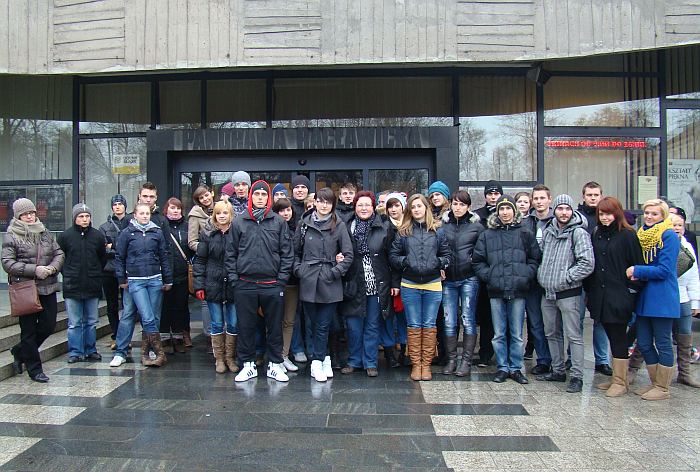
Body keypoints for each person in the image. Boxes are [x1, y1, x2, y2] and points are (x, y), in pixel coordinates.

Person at [227, 180, 295, 383]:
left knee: (274, 327)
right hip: (244, 284)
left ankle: (275, 364)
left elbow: (287, 254)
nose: (260, 198)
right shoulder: (239, 222)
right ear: (251, 196)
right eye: (256, 194)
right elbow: (230, 254)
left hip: (272, 284)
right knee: (246, 327)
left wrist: (281, 280)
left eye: (263, 194)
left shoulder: (278, 222)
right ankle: (247, 365)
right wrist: (235, 280)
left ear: (268, 198)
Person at [473, 195, 540, 385]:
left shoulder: (525, 233)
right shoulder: (487, 235)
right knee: (499, 333)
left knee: (517, 333)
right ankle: (502, 367)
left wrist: (525, 275)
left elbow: (534, 259)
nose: (505, 212)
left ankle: (516, 367)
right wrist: (490, 276)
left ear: (514, 211)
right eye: (501, 209)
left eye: (508, 208)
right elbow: (478, 261)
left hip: (518, 290)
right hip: (496, 290)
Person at [585, 197, 645, 396]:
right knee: (611, 335)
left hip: (619, 295)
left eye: (608, 214)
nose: (605, 218)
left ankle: (620, 381)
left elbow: (637, 266)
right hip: (600, 295)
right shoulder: (597, 233)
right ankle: (616, 378)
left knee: (619, 337)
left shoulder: (627, 235)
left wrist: (630, 292)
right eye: (601, 214)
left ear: (617, 213)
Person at [294, 187, 353, 382]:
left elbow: (348, 255)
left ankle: (317, 362)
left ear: (333, 204)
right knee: (315, 324)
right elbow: (295, 252)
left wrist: (334, 272)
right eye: (321, 201)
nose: (324, 205)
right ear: (315, 202)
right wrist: (299, 270)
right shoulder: (304, 224)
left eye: (328, 202)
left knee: (323, 324)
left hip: (330, 282)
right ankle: (325, 358)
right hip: (308, 280)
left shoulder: (339, 225)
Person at [389, 194, 451, 381]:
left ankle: (427, 364)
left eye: (419, 206)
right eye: (413, 207)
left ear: (426, 207)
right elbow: (393, 256)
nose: (416, 209)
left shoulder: (438, 230)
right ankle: (416, 364)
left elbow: (447, 255)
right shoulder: (403, 231)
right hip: (410, 284)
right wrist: (406, 261)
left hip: (433, 283)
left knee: (429, 325)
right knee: (414, 325)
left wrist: (437, 263)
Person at [536, 194, 594, 393]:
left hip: (569, 292)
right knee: (552, 333)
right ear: (555, 210)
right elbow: (541, 255)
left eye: (567, 209)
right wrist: (542, 275)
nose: (563, 212)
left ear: (572, 211)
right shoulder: (548, 231)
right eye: (560, 208)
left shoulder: (579, 233)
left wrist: (567, 277)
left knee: (573, 335)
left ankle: (577, 376)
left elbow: (587, 263)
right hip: (548, 291)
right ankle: (558, 370)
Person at [3, 198, 65, 382]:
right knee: (28, 330)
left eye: (32, 213)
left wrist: (52, 268)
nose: (30, 216)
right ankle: (35, 369)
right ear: (18, 216)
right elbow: (8, 263)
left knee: (48, 325)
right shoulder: (12, 235)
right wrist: (34, 270)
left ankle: (19, 351)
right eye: (25, 214)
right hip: (25, 289)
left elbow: (59, 253)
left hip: (47, 285)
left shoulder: (44, 232)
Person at [626, 199, 680, 401]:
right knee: (644, 342)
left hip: (662, 297)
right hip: (645, 297)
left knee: (663, 342)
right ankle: (654, 381)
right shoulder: (642, 234)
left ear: (663, 216)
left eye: (654, 214)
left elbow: (665, 270)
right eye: (647, 213)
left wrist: (637, 270)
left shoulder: (669, 235)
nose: (649, 216)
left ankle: (663, 387)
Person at [339, 191, 396, 377]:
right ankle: (354, 360)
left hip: (376, 284)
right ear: (355, 207)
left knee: (372, 325)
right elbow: (337, 248)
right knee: (354, 326)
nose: (364, 208)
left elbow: (393, 257)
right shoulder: (345, 225)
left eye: (367, 205)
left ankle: (370, 362)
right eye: (360, 205)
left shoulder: (384, 226)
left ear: (373, 207)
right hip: (353, 283)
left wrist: (395, 283)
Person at [111, 203, 173, 368]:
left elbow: (164, 256)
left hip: (155, 279)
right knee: (143, 316)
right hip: (135, 280)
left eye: (147, 213)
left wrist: (167, 278)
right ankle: (122, 352)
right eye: (142, 213)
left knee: (154, 316)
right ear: (135, 215)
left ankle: (150, 350)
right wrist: (121, 278)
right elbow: (120, 257)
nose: (145, 216)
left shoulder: (157, 232)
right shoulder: (127, 233)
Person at [440, 191, 484, 376]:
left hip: (469, 278)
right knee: (449, 320)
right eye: (455, 204)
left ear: (468, 207)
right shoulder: (443, 225)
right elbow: (438, 248)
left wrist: (474, 261)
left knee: (468, 319)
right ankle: (452, 360)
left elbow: (482, 250)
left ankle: (466, 361)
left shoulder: (477, 227)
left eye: (462, 204)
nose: (458, 208)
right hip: (448, 279)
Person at [193, 200, 239, 374]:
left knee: (233, 323)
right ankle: (219, 359)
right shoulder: (207, 234)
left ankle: (230, 357)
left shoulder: (237, 233)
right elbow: (200, 261)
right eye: (218, 213)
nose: (221, 216)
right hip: (213, 283)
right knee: (217, 323)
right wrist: (199, 284)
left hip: (233, 284)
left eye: (225, 213)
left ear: (231, 215)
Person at [58, 203, 107, 363]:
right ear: (75, 218)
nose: (85, 219)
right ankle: (75, 352)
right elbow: (60, 259)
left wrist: (95, 273)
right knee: (74, 322)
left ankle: (90, 349)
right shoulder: (65, 237)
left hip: (92, 284)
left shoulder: (97, 236)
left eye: (87, 216)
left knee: (91, 321)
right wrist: (68, 274)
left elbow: (102, 258)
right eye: (81, 216)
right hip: (72, 285)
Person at [577, 181, 612, 376]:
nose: (592, 198)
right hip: (581, 278)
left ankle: (602, 360)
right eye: (589, 195)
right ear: (583, 196)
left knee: (600, 320)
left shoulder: (606, 218)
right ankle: (573, 358)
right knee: (577, 320)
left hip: (601, 278)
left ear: (601, 196)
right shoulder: (577, 217)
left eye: (595, 195)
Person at [520, 185, 553, 376]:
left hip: (553, 280)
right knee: (536, 323)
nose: (539, 201)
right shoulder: (525, 223)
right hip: (532, 281)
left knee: (554, 325)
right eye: (536, 198)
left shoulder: (557, 221)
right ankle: (543, 360)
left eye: (542, 198)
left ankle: (559, 361)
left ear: (549, 199)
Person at [473, 180, 503, 366]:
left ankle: (503, 356)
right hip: (485, 273)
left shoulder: (507, 215)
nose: (493, 197)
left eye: (496, 193)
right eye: (490, 194)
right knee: (485, 317)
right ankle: (485, 353)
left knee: (503, 318)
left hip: (504, 273)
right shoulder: (477, 216)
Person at [378, 192, 409, 367]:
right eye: (390, 206)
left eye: (397, 205)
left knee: (404, 317)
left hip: (408, 278)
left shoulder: (410, 226)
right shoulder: (383, 226)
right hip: (387, 279)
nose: (393, 209)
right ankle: (389, 353)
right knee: (387, 316)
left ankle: (405, 351)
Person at [670, 212, 700, 388]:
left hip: (684, 297)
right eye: (673, 225)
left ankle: (684, 373)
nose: (676, 228)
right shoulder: (661, 244)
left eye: (679, 225)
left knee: (685, 334)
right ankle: (633, 370)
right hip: (665, 297)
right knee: (657, 335)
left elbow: (694, 276)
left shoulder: (687, 247)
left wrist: (696, 302)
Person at [272, 197, 301, 372]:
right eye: (281, 210)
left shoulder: (298, 229)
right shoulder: (270, 229)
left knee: (289, 321)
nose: (285, 213)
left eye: (288, 210)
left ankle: (284, 355)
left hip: (292, 281)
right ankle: (274, 357)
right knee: (273, 320)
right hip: (273, 281)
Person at [161, 197, 192, 354]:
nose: (175, 211)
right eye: (172, 208)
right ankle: (165, 338)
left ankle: (179, 337)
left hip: (182, 274)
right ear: (166, 209)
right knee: (165, 307)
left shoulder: (187, 226)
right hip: (166, 274)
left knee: (180, 306)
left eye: (178, 208)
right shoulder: (161, 226)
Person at [187, 184, 216, 347]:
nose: (205, 199)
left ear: (212, 193)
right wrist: (207, 248)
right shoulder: (195, 215)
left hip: (223, 259)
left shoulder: (221, 208)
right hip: (206, 259)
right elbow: (192, 241)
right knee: (206, 300)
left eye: (206, 195)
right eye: (201, 197)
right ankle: (209, 335)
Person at [99, 194, 129, 350]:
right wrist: (117, 249)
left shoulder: (131, 223)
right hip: (108, 270)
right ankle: (116, 335)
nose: (117, 206)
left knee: (127, 305)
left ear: (125, 206)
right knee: (111, 305)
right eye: (115, 204)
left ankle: (125, 336)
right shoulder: (104, 227)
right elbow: (103, 249)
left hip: (126, 270)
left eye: (120, 204)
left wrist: (114, 246)